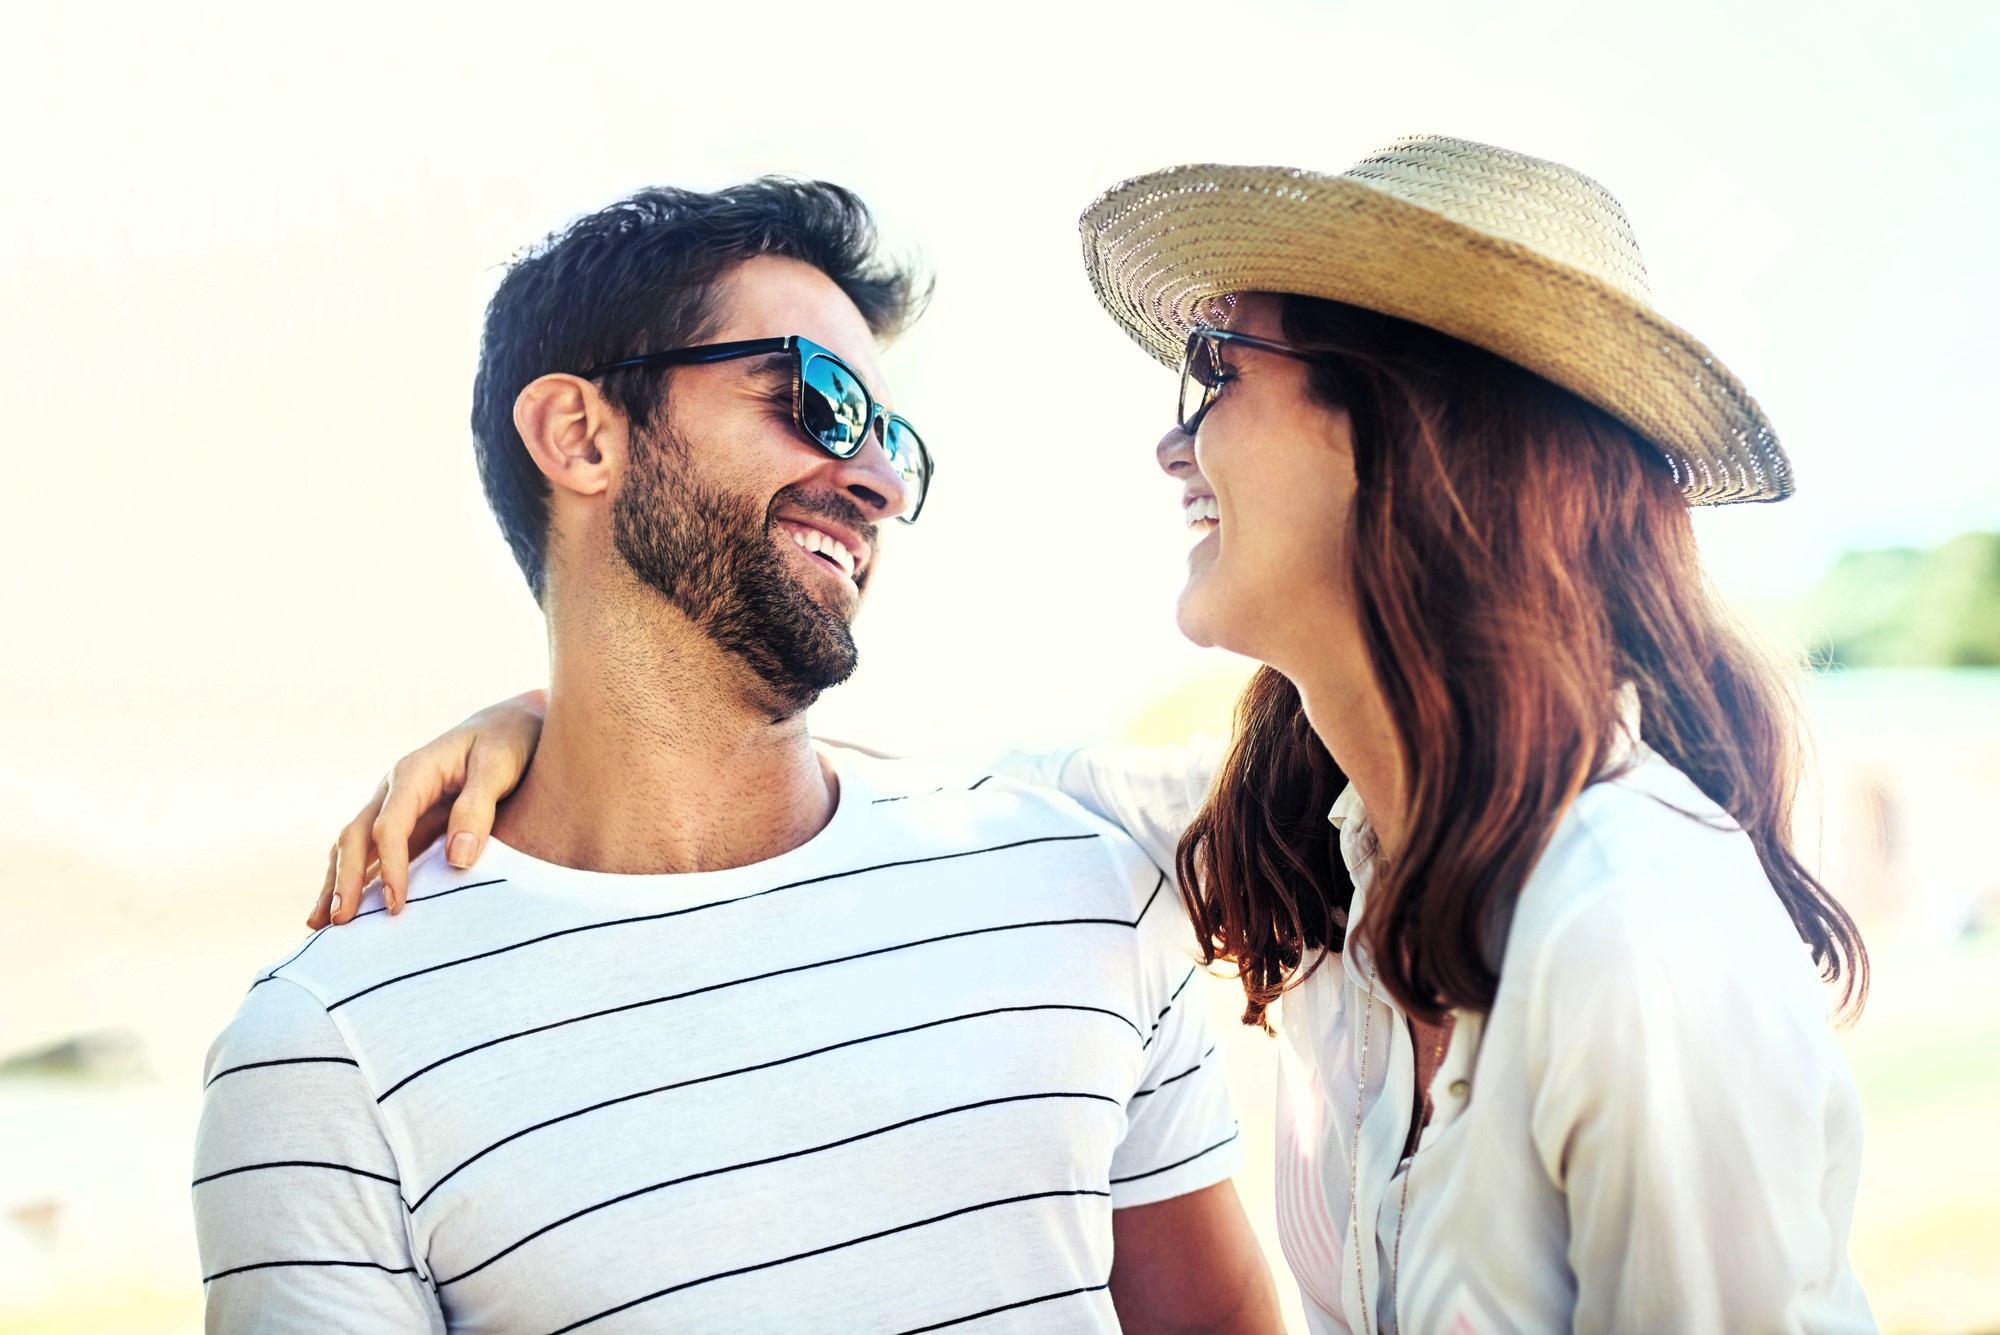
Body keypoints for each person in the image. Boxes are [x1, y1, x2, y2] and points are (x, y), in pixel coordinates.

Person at [321, 138, 1876, 1332]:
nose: (1169, 436)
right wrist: (552, 718)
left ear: (1412, 428)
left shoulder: (1634, 938)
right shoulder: (1321, 845)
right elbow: (897, 794)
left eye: (1218, 371)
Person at [192, 179, 1280, 1335]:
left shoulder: (1078, 885)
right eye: (814, 399)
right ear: (581, 434)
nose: (880, 481)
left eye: (890, 436)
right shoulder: (327, 1051)